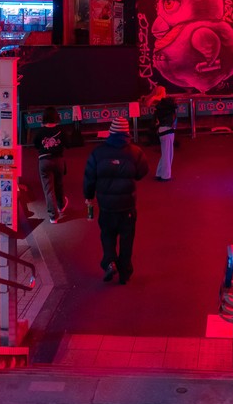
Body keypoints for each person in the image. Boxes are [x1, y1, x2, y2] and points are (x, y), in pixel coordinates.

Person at [83, 116, 148, 284]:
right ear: (127, 133)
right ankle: (125, 272)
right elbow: (141, 173)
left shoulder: (97, 152)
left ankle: (110, 261)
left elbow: (89, 177)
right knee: (127, 238)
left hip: (106, 206)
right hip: (127, 206)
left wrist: (89, 197)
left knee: (107, 235)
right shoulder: (135, 152)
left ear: (110, 132)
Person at [33, 105, 69, 224]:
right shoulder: (61, 131)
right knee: (59, 184)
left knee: (48, 189)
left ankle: (53, 216)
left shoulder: (40, 132)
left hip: (44, 161)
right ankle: (61, 205)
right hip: (58, 160)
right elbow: (67, 144)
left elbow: (36, 145)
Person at [149, 85, 177, 181]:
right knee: (168, 154)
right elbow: (173, 118)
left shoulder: (159, 106)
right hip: (168, 130)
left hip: (162, 130)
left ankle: (160, 173)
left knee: (165, 153)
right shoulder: (168, 106)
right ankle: (165, 175)